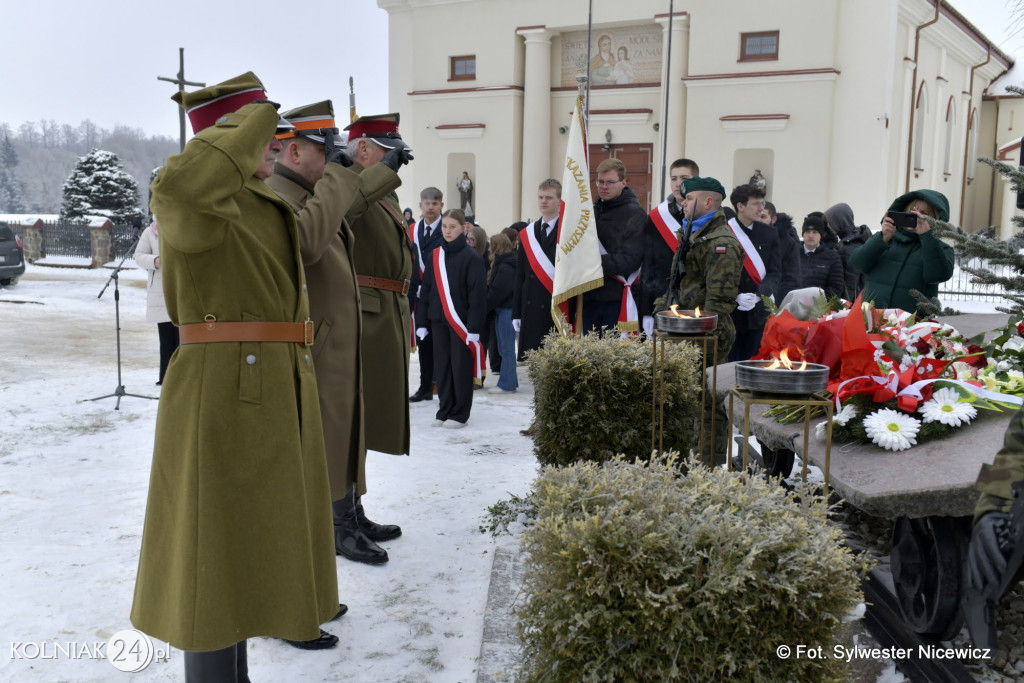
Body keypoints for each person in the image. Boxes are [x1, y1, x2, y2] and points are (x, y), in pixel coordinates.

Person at [131, 72, 339, 680]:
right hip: (223, 389)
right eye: (263, 134)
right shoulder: (186, 190)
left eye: (276, 136)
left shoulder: (256, 196)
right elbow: (189, 193)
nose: (275, 144)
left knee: (247, 552)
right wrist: (249, 116)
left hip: (270, 384)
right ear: (227, 134)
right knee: (213, 552)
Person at [266, 100, 405, 570]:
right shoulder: (283, 198)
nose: (332, 160)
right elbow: (309, 241)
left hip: (337, 334)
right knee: (331, 433)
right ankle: (338, 522)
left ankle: (350, 511)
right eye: (323, 150)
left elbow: (347, 211)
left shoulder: (308, 192)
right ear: (293, 152)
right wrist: (342, 178)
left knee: (348, 430)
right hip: (317, 339)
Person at [343, 112, 417, 455]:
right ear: (361, 149)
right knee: (355, 414)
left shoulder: (383, 190)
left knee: (374, 414)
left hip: (387, 309)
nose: (393, 159)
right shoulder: (345, 181)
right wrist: (382, 175)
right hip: (365, 310)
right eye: (384, 150)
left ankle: (353, 501)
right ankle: (345, 506)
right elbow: (343, 213)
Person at [657, 176, 743, 466]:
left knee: (707, 405)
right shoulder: (693, 235)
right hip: (685, 332)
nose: (683, 203)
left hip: (707, 336)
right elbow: (679, 283)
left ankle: (708, 464)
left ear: (708, 202)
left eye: (689, 198)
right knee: (685, 403)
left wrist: (702, 339)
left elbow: (718, 303)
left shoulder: (721, 243)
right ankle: (684, 459)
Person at [415, 209, 487, 427]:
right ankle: (444, 408)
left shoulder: (472, 257)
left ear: (463, 228)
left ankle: (459, 412)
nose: (447, 231)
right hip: (437, 320)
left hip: (461, 323)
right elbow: (426, 290)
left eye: (452, 227)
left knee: (460, 367)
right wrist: (421, 322)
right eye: (444, 226)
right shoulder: (434, 255)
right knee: (443, 367)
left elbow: (478, 296)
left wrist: (474, 328)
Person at [849, 189, 955, 315]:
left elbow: (937, 275)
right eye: (912, 212)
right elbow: (857, 263)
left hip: (911, 325)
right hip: (872, 318)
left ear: (934, 219)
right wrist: (881, 239)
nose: (916, 216)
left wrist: (927, 236)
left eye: (923, 214)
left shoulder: (941, 248)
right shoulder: (886, 238)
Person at [586, 158, 646, 335]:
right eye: (600, 182)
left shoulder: (635, 214)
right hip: (590, 296)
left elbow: (631, 259)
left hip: (616, 300)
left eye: (610, 182)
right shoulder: (592, 211)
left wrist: (590, 263)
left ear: (623, 182)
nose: (604, 187)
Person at [640, 158, 698, 335]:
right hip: (663, 300)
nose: (678, 183)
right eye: (673, 178)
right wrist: (645, 311)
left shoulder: (708, 215)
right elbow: (648, 265)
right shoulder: (656, 217)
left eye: (684, 178)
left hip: (697, 301)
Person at [726, 184, 781, 361]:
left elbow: (775, 272)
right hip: (731, 312)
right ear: (740, 206)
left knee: (754, 363)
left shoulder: (769, 233)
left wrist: (760, 295)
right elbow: (715, 273)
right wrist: (736, 296)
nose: (761, 208)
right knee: (730, 366)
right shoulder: (724, 232)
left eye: (762, 203)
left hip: (758, 313)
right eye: (756, 204)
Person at [514, 180, 562, 359]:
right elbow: (520, 276)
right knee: (535, 365)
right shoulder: (528, 232)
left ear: (559, 200)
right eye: (541, 197)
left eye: (549, 197)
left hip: (556, 307)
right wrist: (516, 313)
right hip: (531, 307)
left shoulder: (568, 231)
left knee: (555, 363)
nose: (544, 201)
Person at [409, 187, 445, 403]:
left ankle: (442, 386)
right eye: (427, 203)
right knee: (424, 344)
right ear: (420, 205)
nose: (430, 207)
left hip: (442, 295)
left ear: (441, 204)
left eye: (434, 203)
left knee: (442, 344)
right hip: (419, 295)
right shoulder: (412, 229)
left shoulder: (448, 227)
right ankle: (424, 388)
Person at [133, 218, 178, 385]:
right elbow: (138, 255)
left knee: (185, 338)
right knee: (166, 339)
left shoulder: (184, 227)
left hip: (183, 289)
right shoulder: (150, 231)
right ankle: (166, 378)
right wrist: (155, 261)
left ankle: (183, 378)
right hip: (161, 291)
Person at [486, 233, 518, 393]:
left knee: (506, 349)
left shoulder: (505, 267)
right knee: (503, 348)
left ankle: (507, 384)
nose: (488, 248)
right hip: (502, 310)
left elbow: (498, 292)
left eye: (491, 244)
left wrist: (484, 306)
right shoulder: (504, 263)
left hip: (506, 310)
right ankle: (510, 381)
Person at [824, 202, 873, 300]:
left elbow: (849, 283)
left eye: (830, 222)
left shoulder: (846, 246)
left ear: (839, 221)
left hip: (847, 305)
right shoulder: (862, 239)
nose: (829, 226)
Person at [796, 214, 845, 299]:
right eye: (807, 231)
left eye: (815, 232)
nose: (811, 235)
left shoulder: (832, 257)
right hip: (792, 306)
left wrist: (821, 305)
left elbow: (836, 287)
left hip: (819, 308)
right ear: (803, 234)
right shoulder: (792, 254)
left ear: (821, 235)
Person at [762, 201, 800, 304]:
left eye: (763, 217)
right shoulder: (748, 237)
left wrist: (778, 302)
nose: (759, 221)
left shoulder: (787, 243)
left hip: (775, 299)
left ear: (773, 219)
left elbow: (791, 277)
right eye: (758, 216)